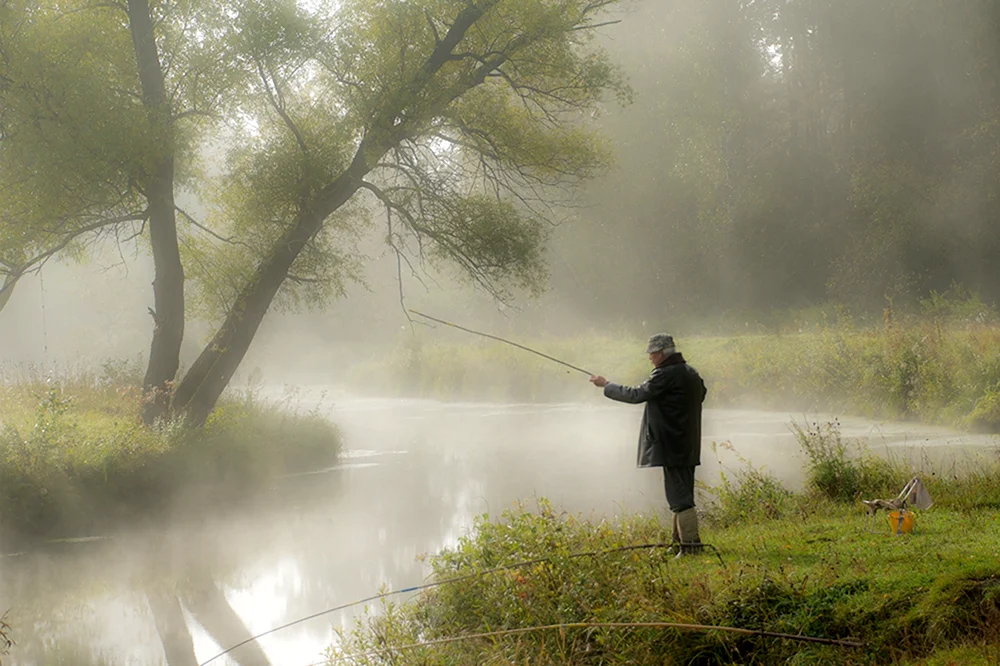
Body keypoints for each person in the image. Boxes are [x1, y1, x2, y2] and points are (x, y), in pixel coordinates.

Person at [590, 333, 707, 555]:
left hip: (671, 444)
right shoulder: (691, 372)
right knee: (681, 492)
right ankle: (679, 544)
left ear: (662, 353)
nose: (650, 358)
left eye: (652, 353)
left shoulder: (664, 374)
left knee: (679, 496)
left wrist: (606, 385)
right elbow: (701, 394)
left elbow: (636, 395)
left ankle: (691, 547)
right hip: (687, 442)